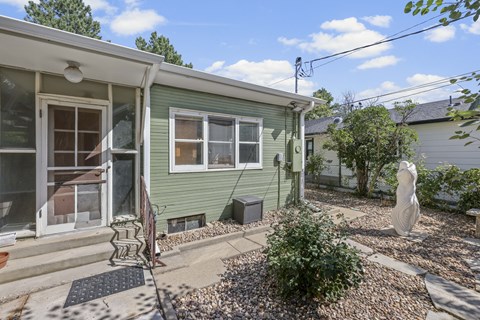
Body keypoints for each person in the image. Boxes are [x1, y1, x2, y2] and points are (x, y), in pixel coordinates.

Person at [392, 161, 420, 236]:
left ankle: (405, 228)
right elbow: (406, 173)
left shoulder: (410, 171)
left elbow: (412, 175)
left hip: (410, 193)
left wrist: (410, 169)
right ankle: (402, 228)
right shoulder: (404, 173)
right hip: (402, 193)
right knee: (404, 209)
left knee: (411, 209)